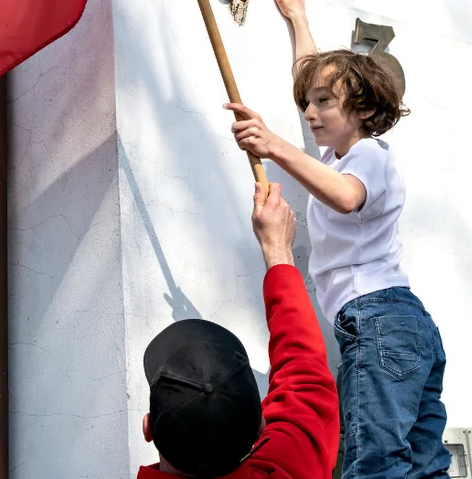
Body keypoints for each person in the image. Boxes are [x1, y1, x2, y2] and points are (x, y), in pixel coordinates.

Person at [222, 0, 450, 479]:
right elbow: (310, 77)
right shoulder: (337, 157)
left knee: (372, 461)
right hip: (398, 325)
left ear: (363, 111)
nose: (309, 112)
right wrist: (298, 19)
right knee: (421, 464)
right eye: (308, 103)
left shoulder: (370, 156)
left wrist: (274, 146)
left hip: (379, 321)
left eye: (323, 103)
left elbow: (345, 197)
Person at [138, 182, 339, 478]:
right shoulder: (289, 464)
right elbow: (304, 373)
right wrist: (278, 251)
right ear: (260, 427)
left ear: (148, 428)